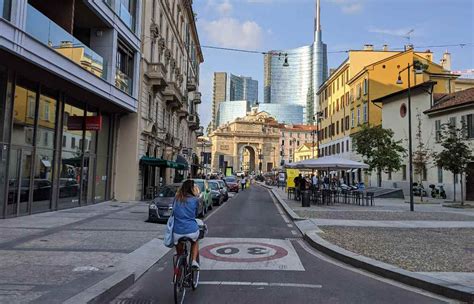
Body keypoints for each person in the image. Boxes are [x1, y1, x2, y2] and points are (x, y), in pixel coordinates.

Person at [173, 180, 201, 269]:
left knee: (179, 254)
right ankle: (193, 261)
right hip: (191, 230)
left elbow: (173, 211)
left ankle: (178, 275)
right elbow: (196, 213)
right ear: (192, 189)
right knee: (195, 241)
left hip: (177, 231)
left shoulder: (176, 198)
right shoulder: (195, 200)